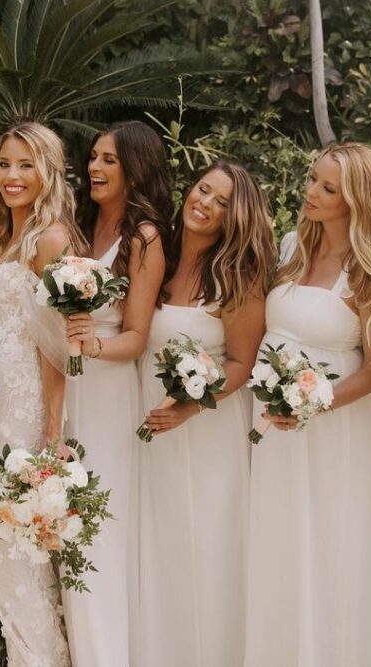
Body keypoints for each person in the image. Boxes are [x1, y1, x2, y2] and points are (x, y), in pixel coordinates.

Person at [244, 143, 371, 667]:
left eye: (328, 188)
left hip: (333, 427)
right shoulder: (292, 246)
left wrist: (315, 403)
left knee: (329, 548)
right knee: (276, 545)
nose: (311, 192)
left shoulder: (369, 267)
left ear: (357, 200)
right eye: (314, 180)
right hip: (271, 425)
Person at [135, 161, 275, 666]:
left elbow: (243, 363)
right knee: (160, 550)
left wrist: (191, 407)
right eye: (202, 190)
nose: (205, 204)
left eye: (221, 202)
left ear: (235, 217)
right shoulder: (160, 256)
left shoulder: (237, 276)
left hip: (207, 429)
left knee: (208, 551)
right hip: (150, 424)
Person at [0, 121, 88, 667]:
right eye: (3, 164)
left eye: (26, 164)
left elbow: (58, 343)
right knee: (4, 552)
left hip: (26, 416)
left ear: (50, 171)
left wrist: (52, 427)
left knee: (20, 554)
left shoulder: (51, 239)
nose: (12, 176)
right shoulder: (6, 238)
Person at [62, 120, 168, 666]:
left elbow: (136, 335)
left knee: (97, 525)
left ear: (135, 168)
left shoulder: (142, 236)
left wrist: (92, 346)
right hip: (63, 385)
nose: (95, 169)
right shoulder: (78, 225)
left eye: (109, 160)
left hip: (106, 394)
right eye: (93, 158)